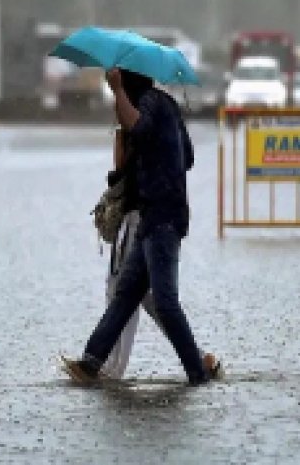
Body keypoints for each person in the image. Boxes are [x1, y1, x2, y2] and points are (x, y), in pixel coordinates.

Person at [64, 68, 213, 386]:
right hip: (153, 215)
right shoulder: (167, 105)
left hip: (162, 216)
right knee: (125, 295)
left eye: (122, 88)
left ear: (129, 85)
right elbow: (187, 156)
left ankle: (198, 371)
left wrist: (116, 90)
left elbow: (138, 125)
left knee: (165, 302)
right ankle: (90, 363)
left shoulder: (150, 105)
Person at [101, 118, 221, 380]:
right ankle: (199, 358)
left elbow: (122, 167)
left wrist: (122, 134)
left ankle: (109, 367)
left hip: (141, 217)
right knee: (144, 296)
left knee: (123, 291)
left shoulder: (142, 118)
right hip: (149, 217)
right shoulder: (159, 115)